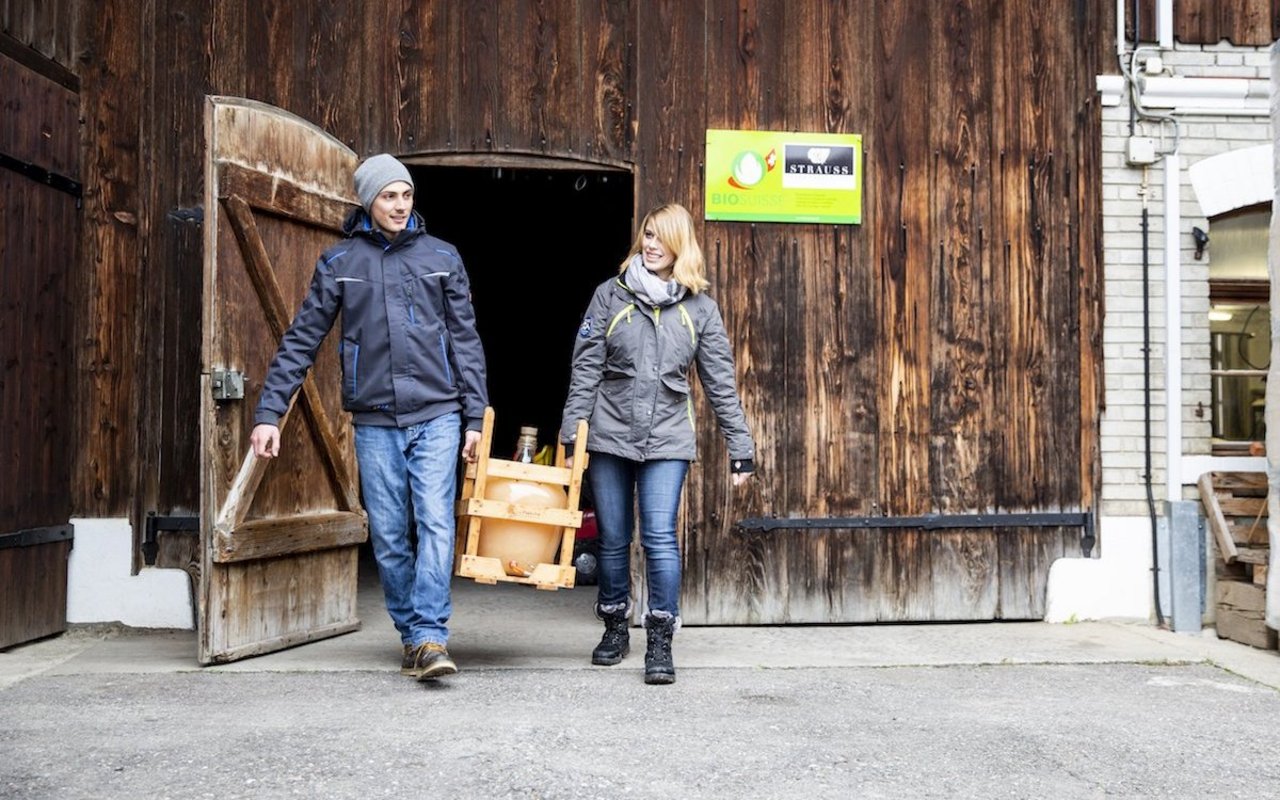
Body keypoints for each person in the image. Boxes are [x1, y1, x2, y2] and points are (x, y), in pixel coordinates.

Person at [249, 153, 488, 682]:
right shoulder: (340, 263)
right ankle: (411, 635)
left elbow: (466, 342)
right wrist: (269, 412)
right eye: (388, 196)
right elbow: (302, 340)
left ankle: (430, 635)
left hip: (438, 413)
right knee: (389, 535)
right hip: (376, 420)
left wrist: (475, 417)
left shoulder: (442, 256)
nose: (400, 205)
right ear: (367, 201)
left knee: (436, 522)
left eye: (406, 194)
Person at [560, 203, 755, 685]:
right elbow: (586, 368)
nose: (651, 245)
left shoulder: (700, 309)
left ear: (679, 245)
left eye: (661, 237)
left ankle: (661, 638)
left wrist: (740, 446)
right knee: (612, 537)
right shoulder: (610, 295)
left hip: (668, 437)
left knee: (660, 538)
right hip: (608, 432)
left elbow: (719, 382)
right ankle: (613, 627)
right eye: (647, 235)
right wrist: (571, 434)